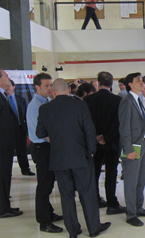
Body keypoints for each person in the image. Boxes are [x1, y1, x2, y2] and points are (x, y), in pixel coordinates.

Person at [36, 78, 111, 237]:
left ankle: (73, 231)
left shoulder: (45, 109)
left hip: (58, 159)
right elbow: (89, 130)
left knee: (66, 195)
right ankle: (93, 228)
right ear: (69, 90)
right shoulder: (80, 105)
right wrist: (91, 151)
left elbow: (39, 133)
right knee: (87, 193)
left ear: (54, 92)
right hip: (81, 157)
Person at [85, 71, 126, 215]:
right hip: (112, 142)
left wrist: (96, 136)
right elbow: (117, 122)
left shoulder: (88, 100)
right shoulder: (117, 100)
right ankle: (112, 203)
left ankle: (95, 199)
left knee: (94, 172)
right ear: (111, 84)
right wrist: (106, 137)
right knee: (111, 172)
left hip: (94, 143)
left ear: (98, 82)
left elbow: (87, 122)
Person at [26, 73, 63, 232]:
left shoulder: (47, 102)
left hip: (49, 148)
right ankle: (44, 221)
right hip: (42, 149)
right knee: (44, 186)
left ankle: (49, 213)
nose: (50, 89)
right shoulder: (36, 106)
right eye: (46, 86)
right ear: (37, 87)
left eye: (50, 85)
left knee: (48, 183)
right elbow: (42, 134)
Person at [118, 73, 145, 226]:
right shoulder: (127, 101)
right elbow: (124, 128)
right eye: (138, 80)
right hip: (133, 146)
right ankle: (131, 213)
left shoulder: (139, 100)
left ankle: (139, 207)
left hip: (144, 144)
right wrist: (128, 149)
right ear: (130, 85)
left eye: (142, 79)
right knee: (131, 182)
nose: (142, 82)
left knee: (141, 180)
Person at [0, 69, 23, 218]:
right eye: (6, 75)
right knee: (2, 177)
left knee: (5, 176)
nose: (8, 77)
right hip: (2, 146)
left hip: (6, 145)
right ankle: (2, 208)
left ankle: (5, 205)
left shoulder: (3, 95)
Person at [5, 80, 34, 175]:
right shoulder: (4, 99)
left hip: (20, 127)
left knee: (22, 150)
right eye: (6, 86)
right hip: (8, 130)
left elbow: (25, 114)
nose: (8, 88)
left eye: (10, 86)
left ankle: (25, 169)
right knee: (7, 151)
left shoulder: (21, 99)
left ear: (14, 87)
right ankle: (7, 172)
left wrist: (28, 132)